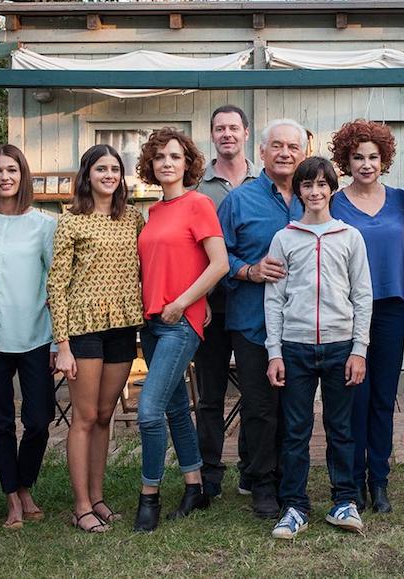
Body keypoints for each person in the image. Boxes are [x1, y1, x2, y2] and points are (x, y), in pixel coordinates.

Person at [264, 156, 373, 539]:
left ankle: (344, 500)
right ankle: (294, 506)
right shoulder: (284, 238)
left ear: (332, 188)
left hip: (340, 346)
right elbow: (274, 299)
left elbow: (363, 295)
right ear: (299, 191)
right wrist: (274, 352)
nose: (315, 192)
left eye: (322, 184)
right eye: (307, 185)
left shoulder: (349, 236)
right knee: (295, 430)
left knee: (340, 428)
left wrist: (359, 349)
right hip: (295, 347)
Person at [132, 128, 229, 532]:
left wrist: (185, 303)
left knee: (148, 411)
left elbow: (219, 264)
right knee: (173, 408)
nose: (167, 163)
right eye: (159, 157)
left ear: (187, 163)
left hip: (180, 322)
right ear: (150, 165)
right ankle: (194, 487)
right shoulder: (153, 212)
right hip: (152, 322)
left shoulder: (199, 204)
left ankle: (149, 496)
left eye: (174, 156)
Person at [47, 144, 146, 533]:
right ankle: (81, 505)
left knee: (105, 414)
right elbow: (56, 284)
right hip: (83, 328)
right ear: (87, 174)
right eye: (101, 168)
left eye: (115, 169)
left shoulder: (133, 218)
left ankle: (98, 497)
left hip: (122, 325)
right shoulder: (71, 221)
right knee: (85, 417)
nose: (109, 175)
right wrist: (62, 345)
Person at [217, 119, 306, 518]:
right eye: (277, 146)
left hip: (302, 325)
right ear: (263, 152)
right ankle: (262, 483)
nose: (285, 153)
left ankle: (290, 479)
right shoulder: (239, 200)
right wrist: (249, 270)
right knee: (260, 408)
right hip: (253, 322)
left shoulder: (314, 197)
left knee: (294, 408)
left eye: (293, 147)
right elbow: (218, 254)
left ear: (303, 153)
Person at [0, 144, 57, 530]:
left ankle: (25, 483)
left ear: (23, 176)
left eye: (12, 170)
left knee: (39, 419)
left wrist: (58, 342)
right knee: (0, 420)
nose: (5, 177)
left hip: (35, 334)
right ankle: (12, 496)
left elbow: (55, 285)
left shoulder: (45, 225)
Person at [328, 119, 404, 513]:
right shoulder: (333, 203)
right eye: (358, 157)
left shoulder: (403, 200)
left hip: (392, 307)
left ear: (384, 159)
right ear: (346, 160)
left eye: (373, 157)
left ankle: (379, 480)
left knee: (383, 398)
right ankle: (353, 480)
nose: (365, 164)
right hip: (348, 310)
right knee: (354, 398)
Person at [194, 105, 258, 498]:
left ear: (246, 133)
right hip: (211, 307)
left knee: (254, 392)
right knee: (210, 396)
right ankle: (210, 476)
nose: (227, 134)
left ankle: (251, 471)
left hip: (251, 303)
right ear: (212, 135)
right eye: (220, 128)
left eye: (234, 127)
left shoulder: (263, 183)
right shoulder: (197, 187)